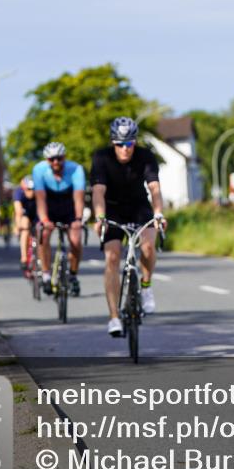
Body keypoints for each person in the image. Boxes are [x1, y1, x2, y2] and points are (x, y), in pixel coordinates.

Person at [91, 117, 167, 337]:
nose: (125, 149)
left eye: (129, 144)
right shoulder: (101, 157)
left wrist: (159, 213)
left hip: (138, 207)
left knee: (148, 247)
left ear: (135, 142)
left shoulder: (146, 156)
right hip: (112, 209)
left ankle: (145, 285)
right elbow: (98, 192)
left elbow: (154, 188)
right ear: (113, 143)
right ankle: (114, 317)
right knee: (112, 258)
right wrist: (100, 217)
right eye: (119, 144)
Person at [32, 142, 86, 296]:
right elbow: (40, 198)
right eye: (51, 159)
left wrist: (78, 218)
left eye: (59, 158)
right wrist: (45, 220)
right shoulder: (39, 170)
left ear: (65, 157)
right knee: (43, 235)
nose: (56, 162)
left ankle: (73, 274)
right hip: (49, 207)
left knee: (75, 240)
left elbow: (78, 197)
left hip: (69, 207)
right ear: (47, 160)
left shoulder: (76, 169)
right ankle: (47, 273)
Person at [13, 176, 38, 276]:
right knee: (25, 228)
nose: (31, 192)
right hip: (25, 214)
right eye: (28, 190)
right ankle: (23, 257)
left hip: (36, 214)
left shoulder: (38, 193)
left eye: (33, 189)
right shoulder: (19, 193)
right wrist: (18, 226)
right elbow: (18, 211)